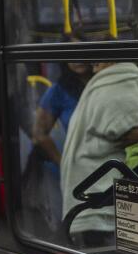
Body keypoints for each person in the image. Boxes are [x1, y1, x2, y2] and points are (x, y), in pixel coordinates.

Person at [60, 61, 138, 247]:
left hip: (98, 193)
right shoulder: (115, 84)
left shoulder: (115, 84)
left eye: (96, 63)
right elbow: (125, 128)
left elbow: (123, 128)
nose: (93, 68)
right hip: (100, 194)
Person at [23, 62, 90, 237]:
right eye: (72, 56)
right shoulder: (60, 90)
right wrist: (62, 161)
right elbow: (39, 133)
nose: (78, 61)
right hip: (76, 167)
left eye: (82, 54)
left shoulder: (102, 83)